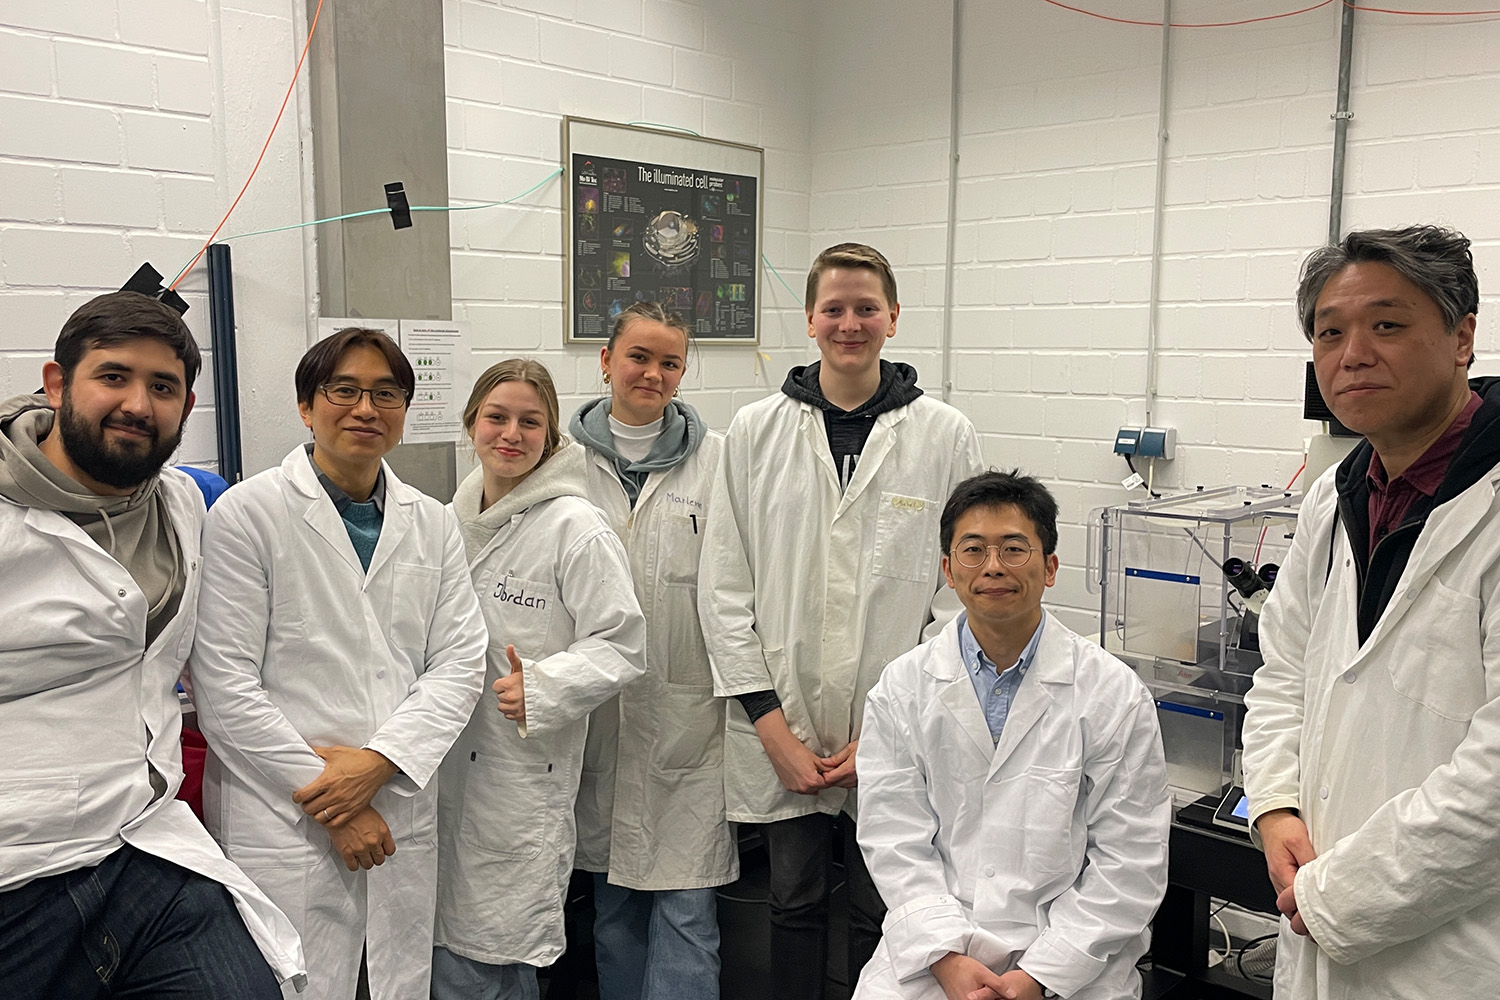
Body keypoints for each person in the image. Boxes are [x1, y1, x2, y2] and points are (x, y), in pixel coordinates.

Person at [700, 243, 985, 998]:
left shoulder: (945, 434)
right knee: (791, 900)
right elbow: (724, 589)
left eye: (866, 308)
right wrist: (773, 731)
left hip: (897, 726)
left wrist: (891, 731)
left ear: (893, 317)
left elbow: (958, 593)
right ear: (809, 320)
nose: (849, 323)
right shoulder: (754, 431)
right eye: (834, 309)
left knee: (885, 908)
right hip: (781, 724)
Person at [0, 291, 304, 998]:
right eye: (113, 376)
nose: (137, 404)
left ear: (187, 406)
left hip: (144, 845)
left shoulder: (184, 502)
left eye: (162, 387)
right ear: (56, 384)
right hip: (17, 867)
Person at [190, 327, 488, 999]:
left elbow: (459, 663)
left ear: (404, 411)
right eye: (344, 390)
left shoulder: (433, 522)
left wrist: (378, 763)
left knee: (392, 981)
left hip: (396, 800)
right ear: (306, 406)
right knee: (290, 982)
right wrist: (339, 804)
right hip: (284, 815)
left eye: (386, 394)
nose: (365, 408)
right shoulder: (248, 514)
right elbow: (225, 688)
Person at [1243, 224, 1500, 999]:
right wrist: (1275, 807)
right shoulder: (1334, 497)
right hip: (1315, 909)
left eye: (1387, 324)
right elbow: (1282, 671)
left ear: (1461, 339)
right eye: (1330, 332)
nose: (1352, 354)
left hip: (1454, 952)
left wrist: (1338, 895)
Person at [853, 471, 1170, 1000]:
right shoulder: (902, 688)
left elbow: (1130, 858)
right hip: (936, 945)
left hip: (1072, 955)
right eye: (973, 550)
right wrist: (947, 958)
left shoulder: (1112, 693)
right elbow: (894, 837)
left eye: (1014, 549)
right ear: (949, 570)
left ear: (1050, 567)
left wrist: (1040, 977)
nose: (993, 566)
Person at [433, 359, 646, 1000]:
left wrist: (547, 687)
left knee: (496, 951)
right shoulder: (446, 519)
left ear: (551, 437)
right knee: (440, 948)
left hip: (517, 773)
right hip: (438, 760)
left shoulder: (574, 526)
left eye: (530, 422)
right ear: (471, 423)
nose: (511, 434)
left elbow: (622, 641)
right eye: (496, 417)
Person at [570, 303, 737, 1000]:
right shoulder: (562, 461)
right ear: (606, 360)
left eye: (670, 362)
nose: (653, 373)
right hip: (595, 714)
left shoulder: (719, 460)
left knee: (688, 907)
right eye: (639, 356)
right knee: (614, 906)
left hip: (687, 716)